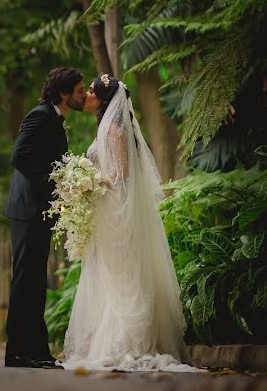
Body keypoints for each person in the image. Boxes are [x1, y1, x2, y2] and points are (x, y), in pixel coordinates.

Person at [61, 74, 196, 371]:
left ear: (103, 99)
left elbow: (122, 175)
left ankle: (126, 342)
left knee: (120, 275)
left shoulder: (116, 130)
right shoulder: (107, 126)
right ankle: (110, 338)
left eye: (91, 92)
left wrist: (87, 182)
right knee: (110, 275)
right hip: (107, 210)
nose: (87, 96)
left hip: (115, 212)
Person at [3, 67, 85, 368]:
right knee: (26, 281)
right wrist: (56, 184)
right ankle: (18, 352)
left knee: (35, 282)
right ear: (64, 93)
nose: (82, 95)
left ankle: (36, 351)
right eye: (79, 91)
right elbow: (20, 156)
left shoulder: (54, 118)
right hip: (27, 210)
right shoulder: (40, 116)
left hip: (38, 211)